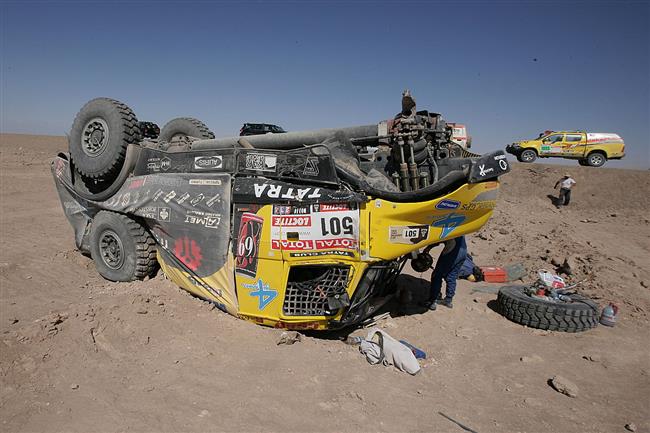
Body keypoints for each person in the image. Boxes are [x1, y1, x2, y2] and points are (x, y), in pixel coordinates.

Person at [425, 236, 467, 310]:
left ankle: (432, 301)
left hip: (452, 250)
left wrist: (428, 248)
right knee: (451, 276)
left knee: (437, 275)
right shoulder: (458, 224)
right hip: (463, 251)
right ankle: (448, 300)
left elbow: (437, 238)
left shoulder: (447, 225)